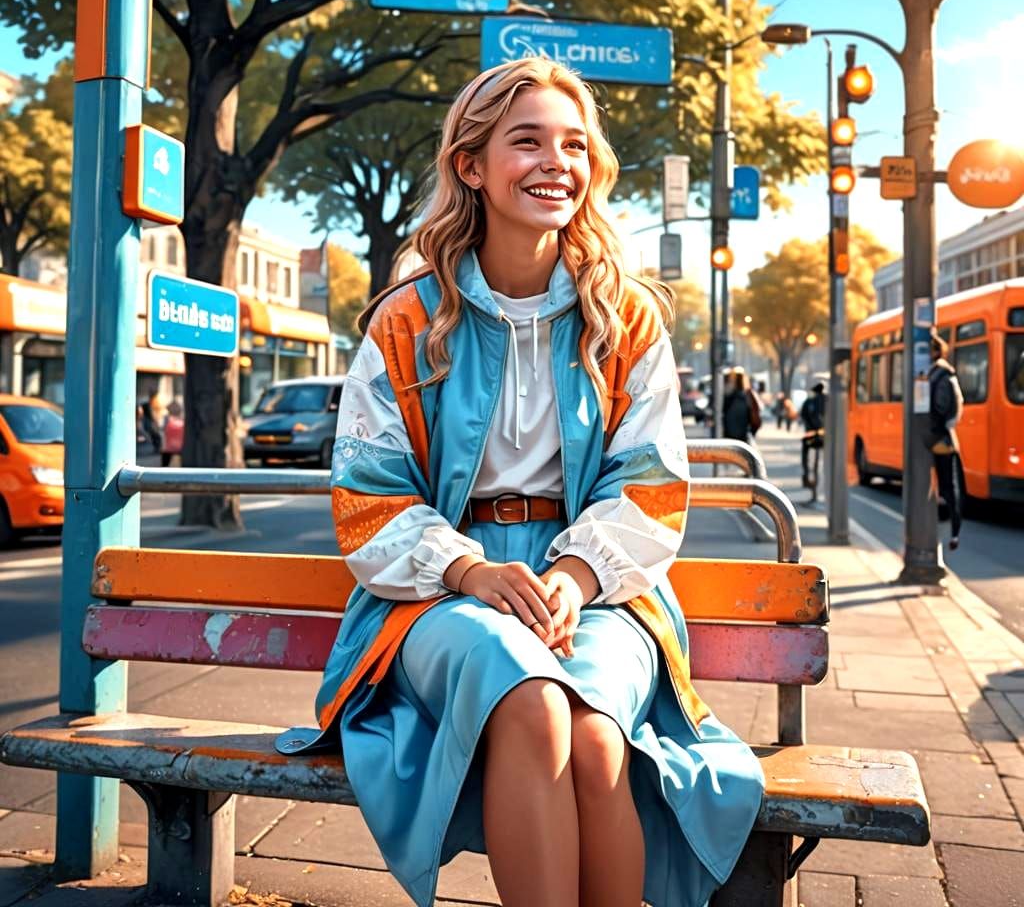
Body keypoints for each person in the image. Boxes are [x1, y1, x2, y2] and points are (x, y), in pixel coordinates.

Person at [277, 58, 762, 907]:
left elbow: (650, 484)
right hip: (434, 591)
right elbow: (369, 493)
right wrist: (472, 570)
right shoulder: (406, 319)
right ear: (471, 165)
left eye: (574, 144)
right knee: (531, 699)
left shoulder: (627, 315)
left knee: (595, 731)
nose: (556, 162)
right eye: (526, 141)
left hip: (600, 586)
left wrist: (574, 578)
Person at [928, 332, 964, 551]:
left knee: (947, 485)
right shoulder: (940, 373)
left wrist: (929, 419)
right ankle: (951, 532)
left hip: (939, 438)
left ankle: (954, 532)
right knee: (946, 484)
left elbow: (941, 407)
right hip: (941, 437)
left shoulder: (940, 375)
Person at [721, 367, 761, 442]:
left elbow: (755, 417)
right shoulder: (748, 396)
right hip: (740, 437)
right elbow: (756, 419)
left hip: (731, 437)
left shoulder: (727, 396)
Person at [800, 382, 827, 488]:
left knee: (805, 450)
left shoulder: (809, 401)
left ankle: (806, 474)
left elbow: (803, 416)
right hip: (825, 436)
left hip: (811, 435)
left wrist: (809, 428)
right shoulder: (828, 400)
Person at [161, 401, 184, 467]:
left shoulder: (168, 421)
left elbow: (164, 433)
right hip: (180, 448)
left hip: (169, 449)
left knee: (164, 466)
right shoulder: (182, 422)